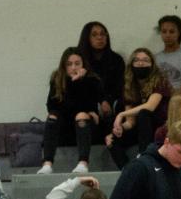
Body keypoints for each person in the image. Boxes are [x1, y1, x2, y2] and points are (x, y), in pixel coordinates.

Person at [36, 46, 102, 176]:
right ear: (64, 66)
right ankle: (47, 164)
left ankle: (83, 163)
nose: (73, 67)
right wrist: (71, 83)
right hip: (64, 125)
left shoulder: (91, 80)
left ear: (83, 64)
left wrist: (79, 82)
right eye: (69, 64)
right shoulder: (57, 78)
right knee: (53, 116)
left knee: (81, 115)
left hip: (85, 125)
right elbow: (52, 105)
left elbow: (89, 105)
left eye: (77, 64)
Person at [105, 48, 171, 168]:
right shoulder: (129, 85)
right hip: (140, 129)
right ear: (132, 65)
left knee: (144, 113)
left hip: (159, 126)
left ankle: (143, 155)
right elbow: (131, 122)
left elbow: (150, 107)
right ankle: (127, 170)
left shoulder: (160, 80)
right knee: (111, 140)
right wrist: (118, 129)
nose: (141, 63)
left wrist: (121, 115)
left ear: (152, 64)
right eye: (137, 60)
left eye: (145, 60)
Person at [76, 20, 124, 120]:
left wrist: (107, 101)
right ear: (87, 38)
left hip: (113, 102)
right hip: (87, 102)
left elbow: (120, 85)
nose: (100, 37)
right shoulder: (78, 60)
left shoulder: (116, 59)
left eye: (103, 34)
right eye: (94, 35)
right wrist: (100, 101)